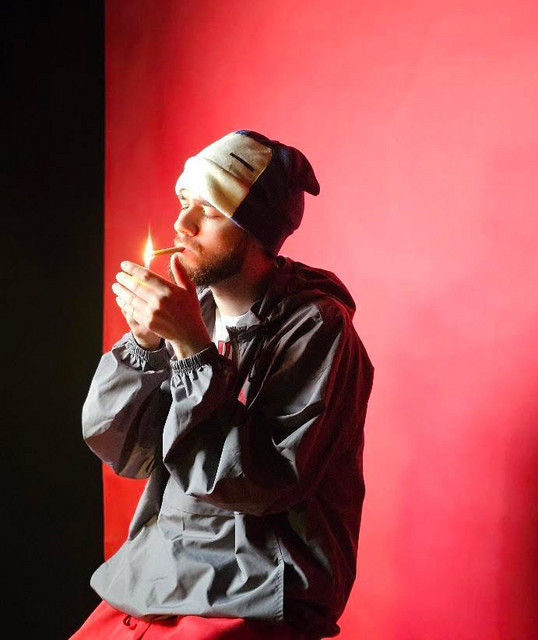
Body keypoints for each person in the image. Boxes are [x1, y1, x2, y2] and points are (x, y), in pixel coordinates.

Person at [72, 130, 374, 640]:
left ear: (257, 231)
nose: (181, 224)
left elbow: (258, 482)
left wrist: (192, 349)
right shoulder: (194, 312)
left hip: (254, 591)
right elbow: (127, 453)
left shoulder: (319, 327)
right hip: (159, 575)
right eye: (183, 202)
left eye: (208, 211)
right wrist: (145, 344)